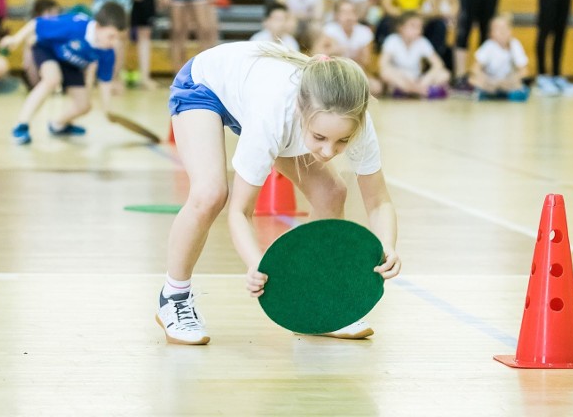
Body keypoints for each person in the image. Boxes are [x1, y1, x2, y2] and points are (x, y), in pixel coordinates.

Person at [161, 41, 402, 344]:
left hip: (260, 96)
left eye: (342, 141)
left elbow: (379, 202)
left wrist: (388, 245)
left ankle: (317, 302)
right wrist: (255, 263)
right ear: (302, 112)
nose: (328, 152)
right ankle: (175, 297)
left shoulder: (356, 119)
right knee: (210, 193)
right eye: (319, 137)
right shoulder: (272, 114)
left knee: (331, 192)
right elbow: (240, 211)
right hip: (205, 86)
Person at [0, 2, 127, 145]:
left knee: (84, 106)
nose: (114, 42)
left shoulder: (107, 51)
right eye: (111, 36)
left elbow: (105, 81)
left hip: (71, 63)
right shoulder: (75, 26)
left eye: (118, 38)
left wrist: (107, 109)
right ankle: (21, 124)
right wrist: (16, 39)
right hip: (48, 50)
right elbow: (37, 24)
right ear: (98, 26)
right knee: (52, 79)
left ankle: (57, 125)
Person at [379, 11, 450, 99]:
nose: (417, 30)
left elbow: (438, 64)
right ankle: (419, 91)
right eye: (413, 26)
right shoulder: (392, 40)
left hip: (417, 78)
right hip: (400, 78)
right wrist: (403, 77)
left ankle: (408, 91)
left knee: (444, 74)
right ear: (401, 27)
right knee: (386, 73)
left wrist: (426, 80)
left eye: (419, 27)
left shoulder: (422, 41)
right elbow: (383, 65)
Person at [469, 14, 529, 101]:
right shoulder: (489, 45)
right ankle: (491, 93)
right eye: (498, 29)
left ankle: (497, 95)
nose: (502, 32)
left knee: (518, 83)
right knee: (473, 80)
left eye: (504, 28)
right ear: (491, 33)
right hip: (490, 82)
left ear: (510, 31)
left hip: (508, 82)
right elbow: (474, 68)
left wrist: (513, 78)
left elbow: (524, 71)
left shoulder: (515, 45)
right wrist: (486, 79)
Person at [22, 0, 61, 88]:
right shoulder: (33, 28)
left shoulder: (57, 30)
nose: (54, 17)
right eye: (50, 13)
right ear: (38, 14)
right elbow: (27, 58)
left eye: (56, 13)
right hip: (35, 69)